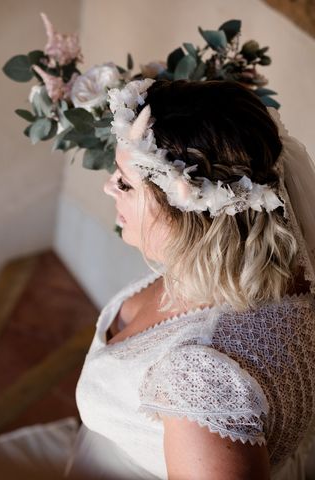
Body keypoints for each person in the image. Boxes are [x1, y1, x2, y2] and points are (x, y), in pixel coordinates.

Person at [65, 79, 315, 479]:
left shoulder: (202, 382)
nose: (108, 187)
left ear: (187, 211)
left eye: (126, 183)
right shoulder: (271, 265)